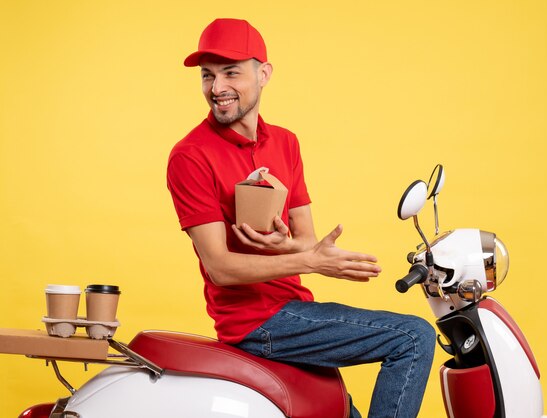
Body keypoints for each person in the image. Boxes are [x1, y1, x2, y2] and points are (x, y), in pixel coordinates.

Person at [166, 18, 435, 418]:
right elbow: (219, 268)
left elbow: (306, 239)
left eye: (231, 72)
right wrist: (310, 261)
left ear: (264, 74)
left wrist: (298, 249)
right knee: (413, 337)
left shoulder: (286, 143)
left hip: (294, 309)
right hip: (256, 323)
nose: (217, 87)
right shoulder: (191, 156)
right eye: (208, 75)